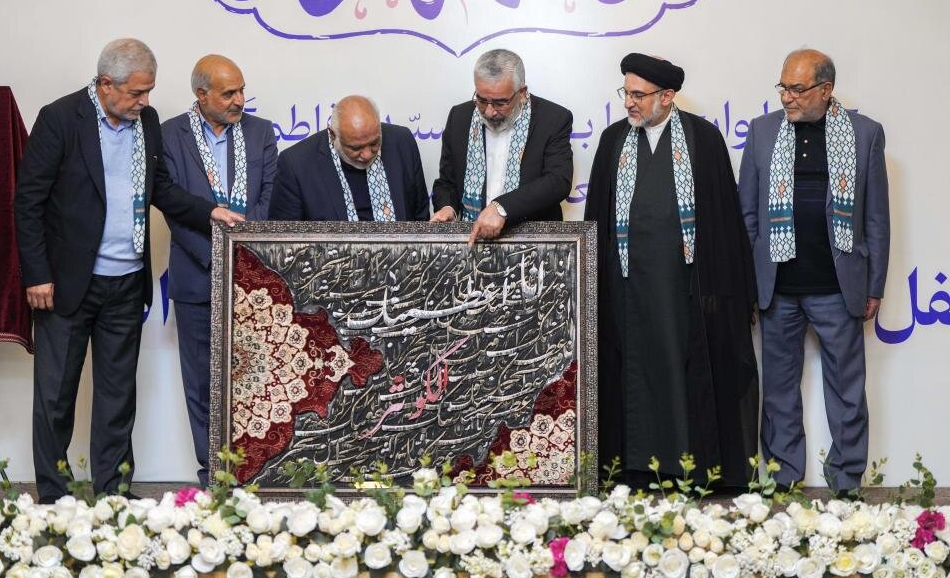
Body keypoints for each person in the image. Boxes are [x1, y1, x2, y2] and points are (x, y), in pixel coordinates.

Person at [14, 38, 244, 502]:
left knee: (118, 396)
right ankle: (54, 497)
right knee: (56, 397)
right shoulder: (60, 118)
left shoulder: (147, 122)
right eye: (137, 92)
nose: (145, 101)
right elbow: (28, 201)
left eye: (149, 91)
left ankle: (114, 494)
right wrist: (37, 274)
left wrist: (209, 211)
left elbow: (160, 188)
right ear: (106, 84)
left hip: (126, 283)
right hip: (67, 284)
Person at [584, 53, 759, 489]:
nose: (629, 102)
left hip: (687, 293)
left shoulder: (703, 139)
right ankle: (635, 470)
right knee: (633, 376)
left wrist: (738, 292)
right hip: (626, 291)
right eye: (626, 93)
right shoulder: (612, 141)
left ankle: (690, 469)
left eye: (638, 95)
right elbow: (597, 219)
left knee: (685, 376)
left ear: (667, 96)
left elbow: (725, 222)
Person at [739, 48, 889, 493]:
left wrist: (875, 285)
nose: (787, 97)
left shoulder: (865, 134)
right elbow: (748, 216)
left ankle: (846, 481)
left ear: (826, 90)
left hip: (838, 288)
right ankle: (782, 480)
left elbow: (876, 218)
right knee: (779, 393)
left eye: (797, 89)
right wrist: (749, 284)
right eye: (783, 87)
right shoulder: (762, 131)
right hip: (777, 288)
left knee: (847, 392)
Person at [161, 54, 277, 487]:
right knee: (202, 382)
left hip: (254, 278)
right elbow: (171, 204)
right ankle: (214, 472)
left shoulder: (261, 132)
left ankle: (255, 469)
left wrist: (244, 254)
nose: (239, 100)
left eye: (242, 90)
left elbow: (269, 196)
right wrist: (217, 255)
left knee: (256, 380)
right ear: (201, 94)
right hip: (197, 276)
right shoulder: (169, 134)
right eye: (229, 93)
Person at [431, 48, 573, 244]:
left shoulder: (554, 119)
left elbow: (558, 181)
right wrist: (448, 208)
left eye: (500, 103)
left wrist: (502, 208)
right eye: (481, 100)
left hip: (532, 246)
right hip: (472, 242)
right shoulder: (459, 117)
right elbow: (447, 182)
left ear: (522, 93)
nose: (489, 112)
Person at [268, 95, 429, 221]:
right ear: (333, 135)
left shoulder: (402, 141)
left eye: (374, 143)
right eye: (356, 148)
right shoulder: (296, 164)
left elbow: (420, 217)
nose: (367, 154)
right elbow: (284, 241)